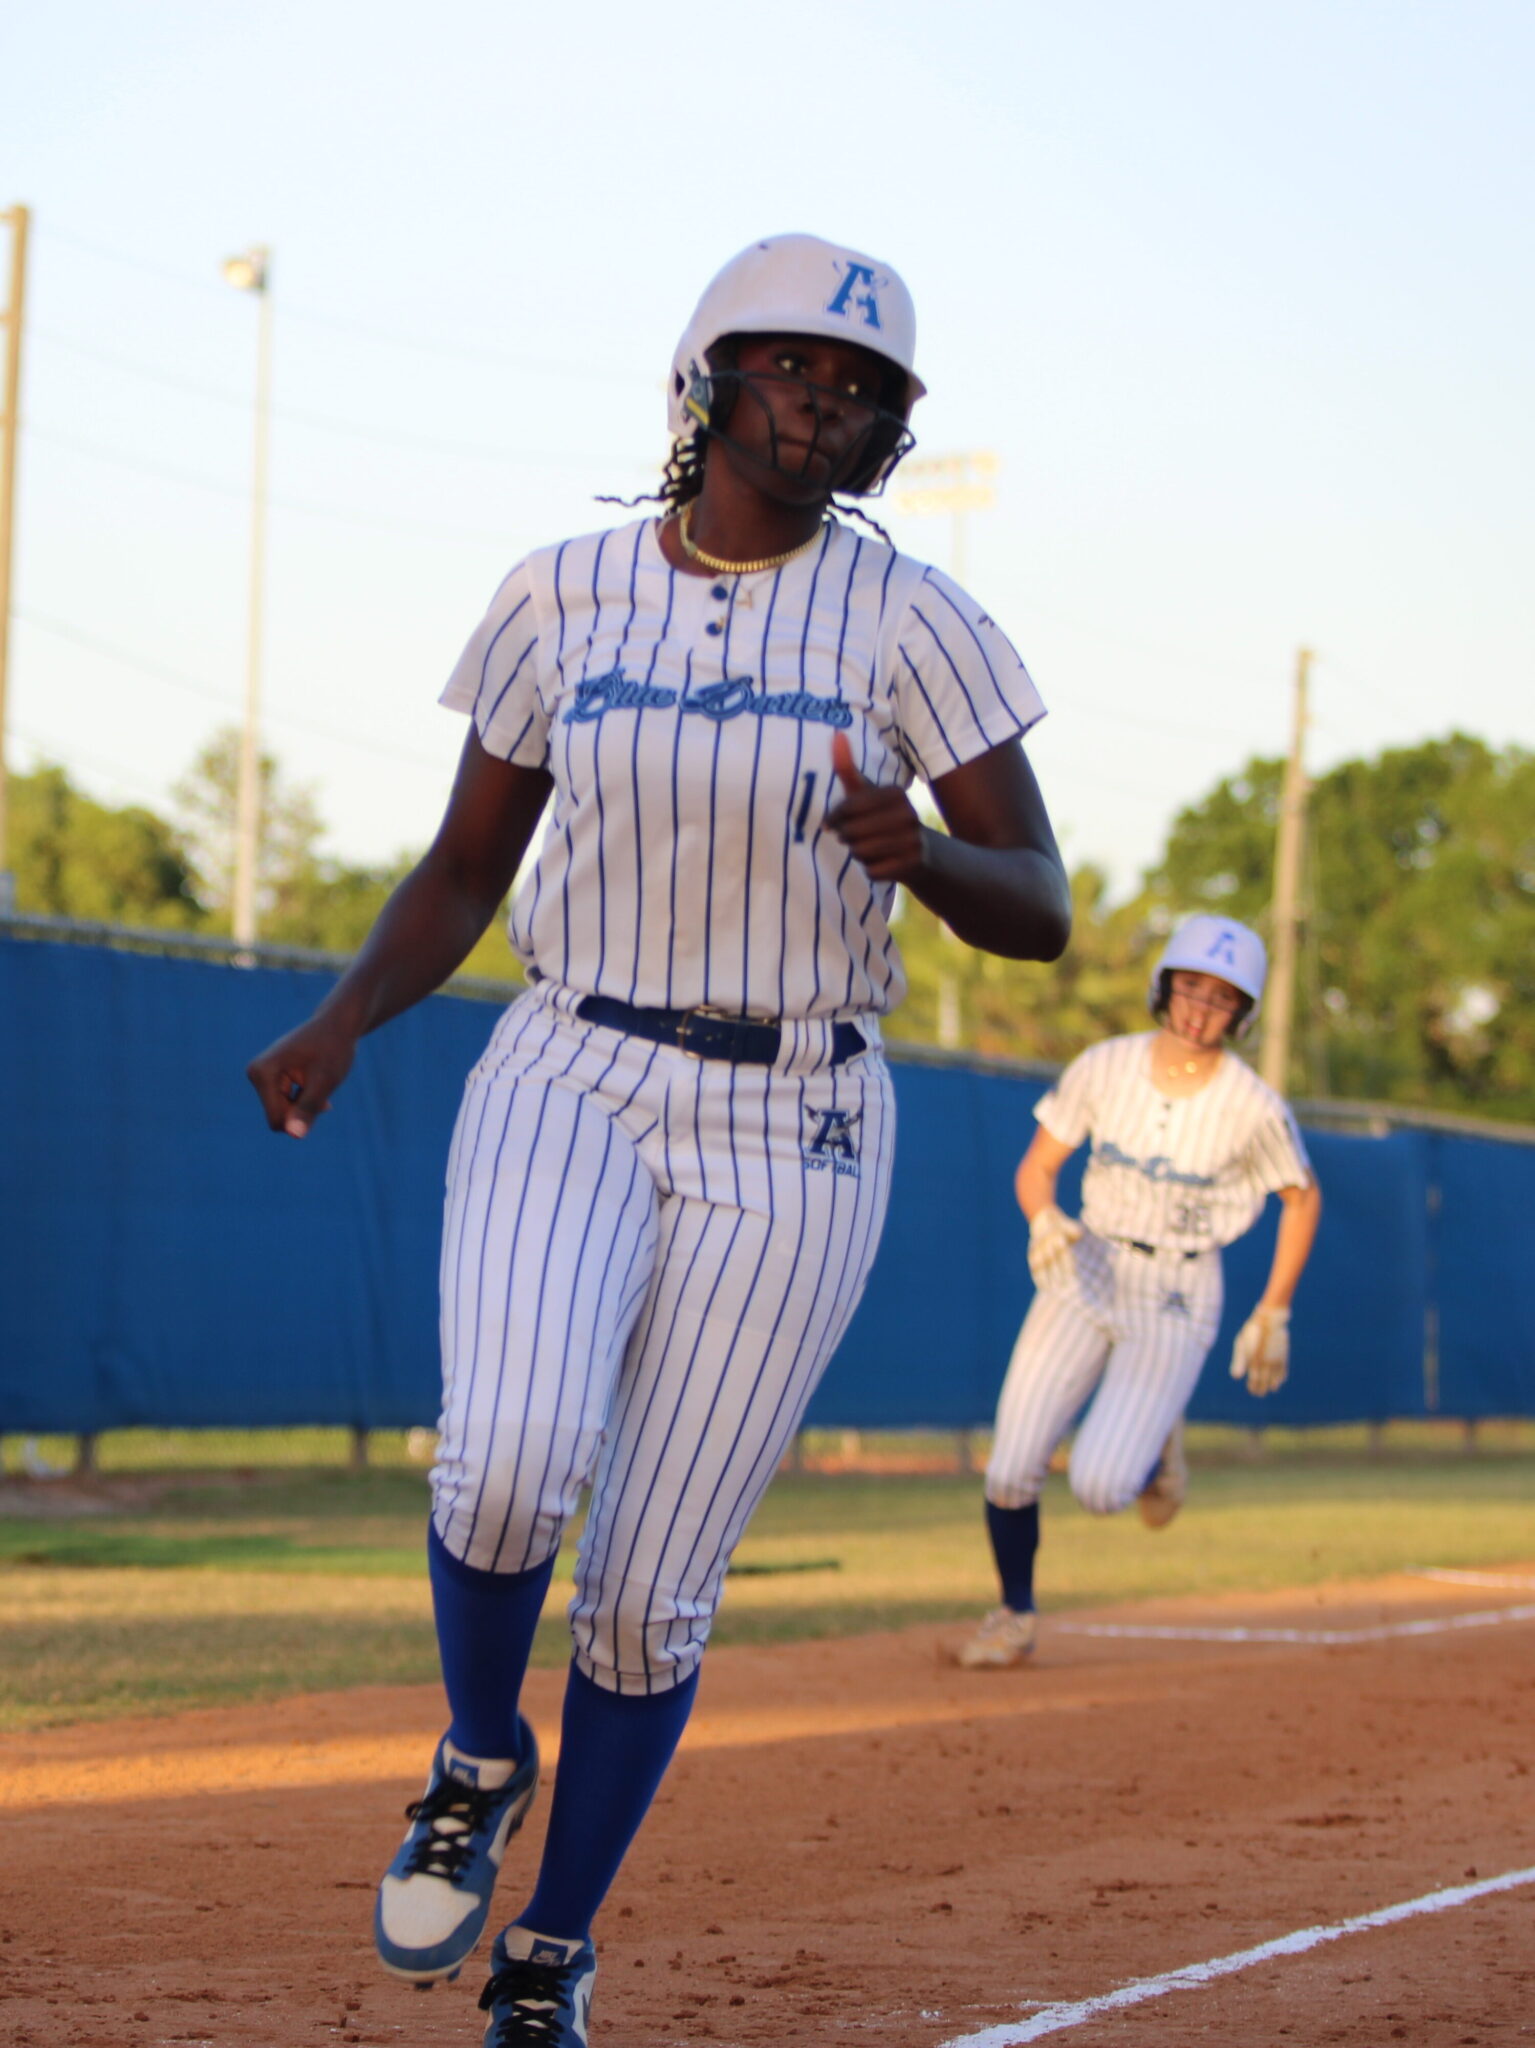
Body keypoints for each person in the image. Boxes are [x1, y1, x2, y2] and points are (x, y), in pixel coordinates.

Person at [247, 232, 1071, 2046]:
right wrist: (344, 1012)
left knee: (645, 1595)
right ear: (707, 380)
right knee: (511, 1454)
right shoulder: (560, 595)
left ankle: (550, 1948)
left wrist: (924, 855)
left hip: (799, 1114)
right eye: (799, 368)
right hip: (576, 1058)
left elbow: (1044, 904)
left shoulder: (912, 620)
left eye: (865, 393)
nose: (830, 404)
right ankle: (475, 1754)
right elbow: (470, 862)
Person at [956, 914, 1321, 1671]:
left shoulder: (1252, 1105)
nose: (1199, 1009)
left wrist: (1274, 1306)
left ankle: (1156, 1449)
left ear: (1242, 1013)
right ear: (1164, 986)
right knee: (1009, 1464)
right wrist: (1042, 1219)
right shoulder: (1105, 1066)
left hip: (1178, 1289)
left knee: (1098, 1486)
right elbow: (1036, 1168)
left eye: (1222, 998)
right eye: (1190, 987)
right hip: (1085, 1264)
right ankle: (1012, 1612)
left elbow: (1300, 1196)